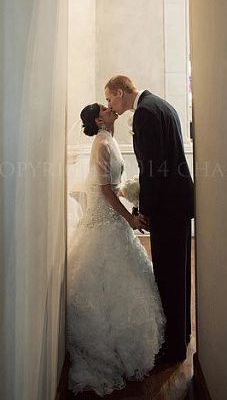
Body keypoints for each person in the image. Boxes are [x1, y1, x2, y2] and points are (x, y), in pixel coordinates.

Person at [67, 103, 165, 396]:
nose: (112, 109)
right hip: (104, 219)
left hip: (113, 217)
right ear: (98, 120)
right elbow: (104, 191)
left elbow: (114, 184)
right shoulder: (100, 144)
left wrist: (129, 190)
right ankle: (107, 351)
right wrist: (131, 218)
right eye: (106, 109)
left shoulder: (109, 140)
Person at [105, 75, 194, 364]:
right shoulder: (163, 105)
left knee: (168, 277)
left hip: (166, 207)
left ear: (121, 92)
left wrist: (146, 210)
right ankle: (183, 335)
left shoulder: (144, 112)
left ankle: (174, 349)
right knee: (179, 273)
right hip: (179, 202)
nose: (111, 105)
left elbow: (152, 168)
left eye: (110, 99)